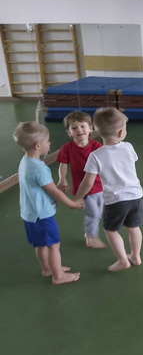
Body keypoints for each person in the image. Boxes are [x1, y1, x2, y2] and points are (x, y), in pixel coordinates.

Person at [13, 121, 84, 285]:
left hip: (30, 213)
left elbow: (42, 187)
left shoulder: (25, 162)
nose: (50, 143)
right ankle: (58, 276)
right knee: (53, 245)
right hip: (42, 215)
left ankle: (47, 269)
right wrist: (72, 204)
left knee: (41, 244)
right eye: (47, 141)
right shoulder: (39, 168)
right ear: (38, 146)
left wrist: (56, 187)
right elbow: (53, 191)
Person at [74, 108, 143, 272]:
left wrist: (78, 197)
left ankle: (123, 260)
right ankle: (135, 256)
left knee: (110, 230)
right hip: (136, 196)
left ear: (97, 132)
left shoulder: (96, 155)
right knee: (133, 228)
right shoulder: (128, 147)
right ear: (121, 132)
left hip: (116, 200)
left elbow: (88, 182)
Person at [56, 111, 106, 249]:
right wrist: (62, 179)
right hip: (83, 188)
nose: (79, 130)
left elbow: (105, 164)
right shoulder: (67, 148)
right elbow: (63, 165)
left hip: (99, 187)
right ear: (69, 132)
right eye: (74, 128)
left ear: (90, 129)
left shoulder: (96, 146)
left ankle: (90, 233)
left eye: (82, 126)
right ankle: (91, 236)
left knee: (98, 213)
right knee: (93, 214)